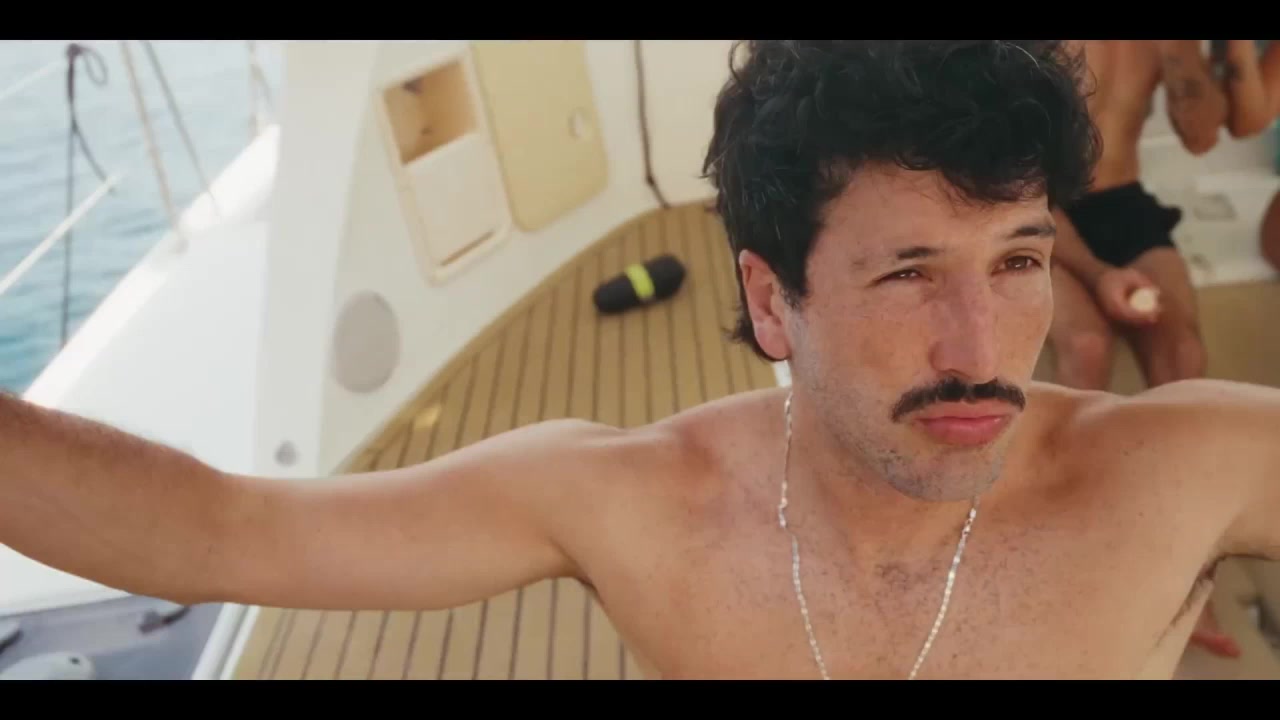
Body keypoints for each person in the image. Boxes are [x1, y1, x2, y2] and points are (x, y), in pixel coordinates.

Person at [2, 40, 1279, 680]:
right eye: (905, 275)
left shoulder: (1177, 473)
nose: (978, 348)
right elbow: (216, 531)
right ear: (770, 301)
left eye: (1013, 261)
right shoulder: (646, 505)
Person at [1044, 40, 1250, 657]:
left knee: (1183, 357)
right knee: (1086, 345)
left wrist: (1184, 53)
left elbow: (1202, 137)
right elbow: (1006, 164)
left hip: (1125, 201)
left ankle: (1188, 575)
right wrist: (1100, 275)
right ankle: (1066, 555)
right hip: (1042, 203)